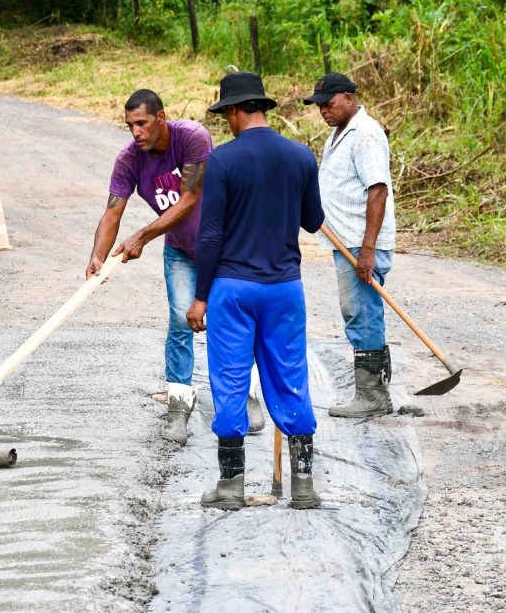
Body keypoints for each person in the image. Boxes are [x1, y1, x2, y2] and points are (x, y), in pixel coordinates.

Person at [87, 89, 265, 446]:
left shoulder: (192, 137)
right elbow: (113, 211)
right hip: (181, 249)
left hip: (225, 248)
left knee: (230, 321)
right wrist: (98, 256)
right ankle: (179, 405)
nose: (135, 132)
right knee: (179, 320)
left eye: (142, 123)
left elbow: (191, 197)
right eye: (129, 126)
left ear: (161, 117)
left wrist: (143, 235)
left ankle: (243, 396)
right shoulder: (129, 160)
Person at [187, 71, 324, 511]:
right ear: (261, 107)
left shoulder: (223, 161)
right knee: (289, 376)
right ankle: (303, 485)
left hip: (233, 289)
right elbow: (313, 220)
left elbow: (209, 236)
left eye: (224, 114)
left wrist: (201, 296)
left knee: (230, 379)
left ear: (232, 111)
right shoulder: (301, 156)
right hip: (284, 288)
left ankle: (230, 486)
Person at [303, 72, 397, 418]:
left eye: (328, 104)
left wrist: (367, 249)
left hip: (361, 244)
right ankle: (375, 390)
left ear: (349, 99)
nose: (323, 111)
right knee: (361, 312)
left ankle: (372, 395)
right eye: (319, 106)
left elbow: (378, 190)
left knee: (362, 314)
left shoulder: (366, 134)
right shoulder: (339, 133)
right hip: (349, 243)